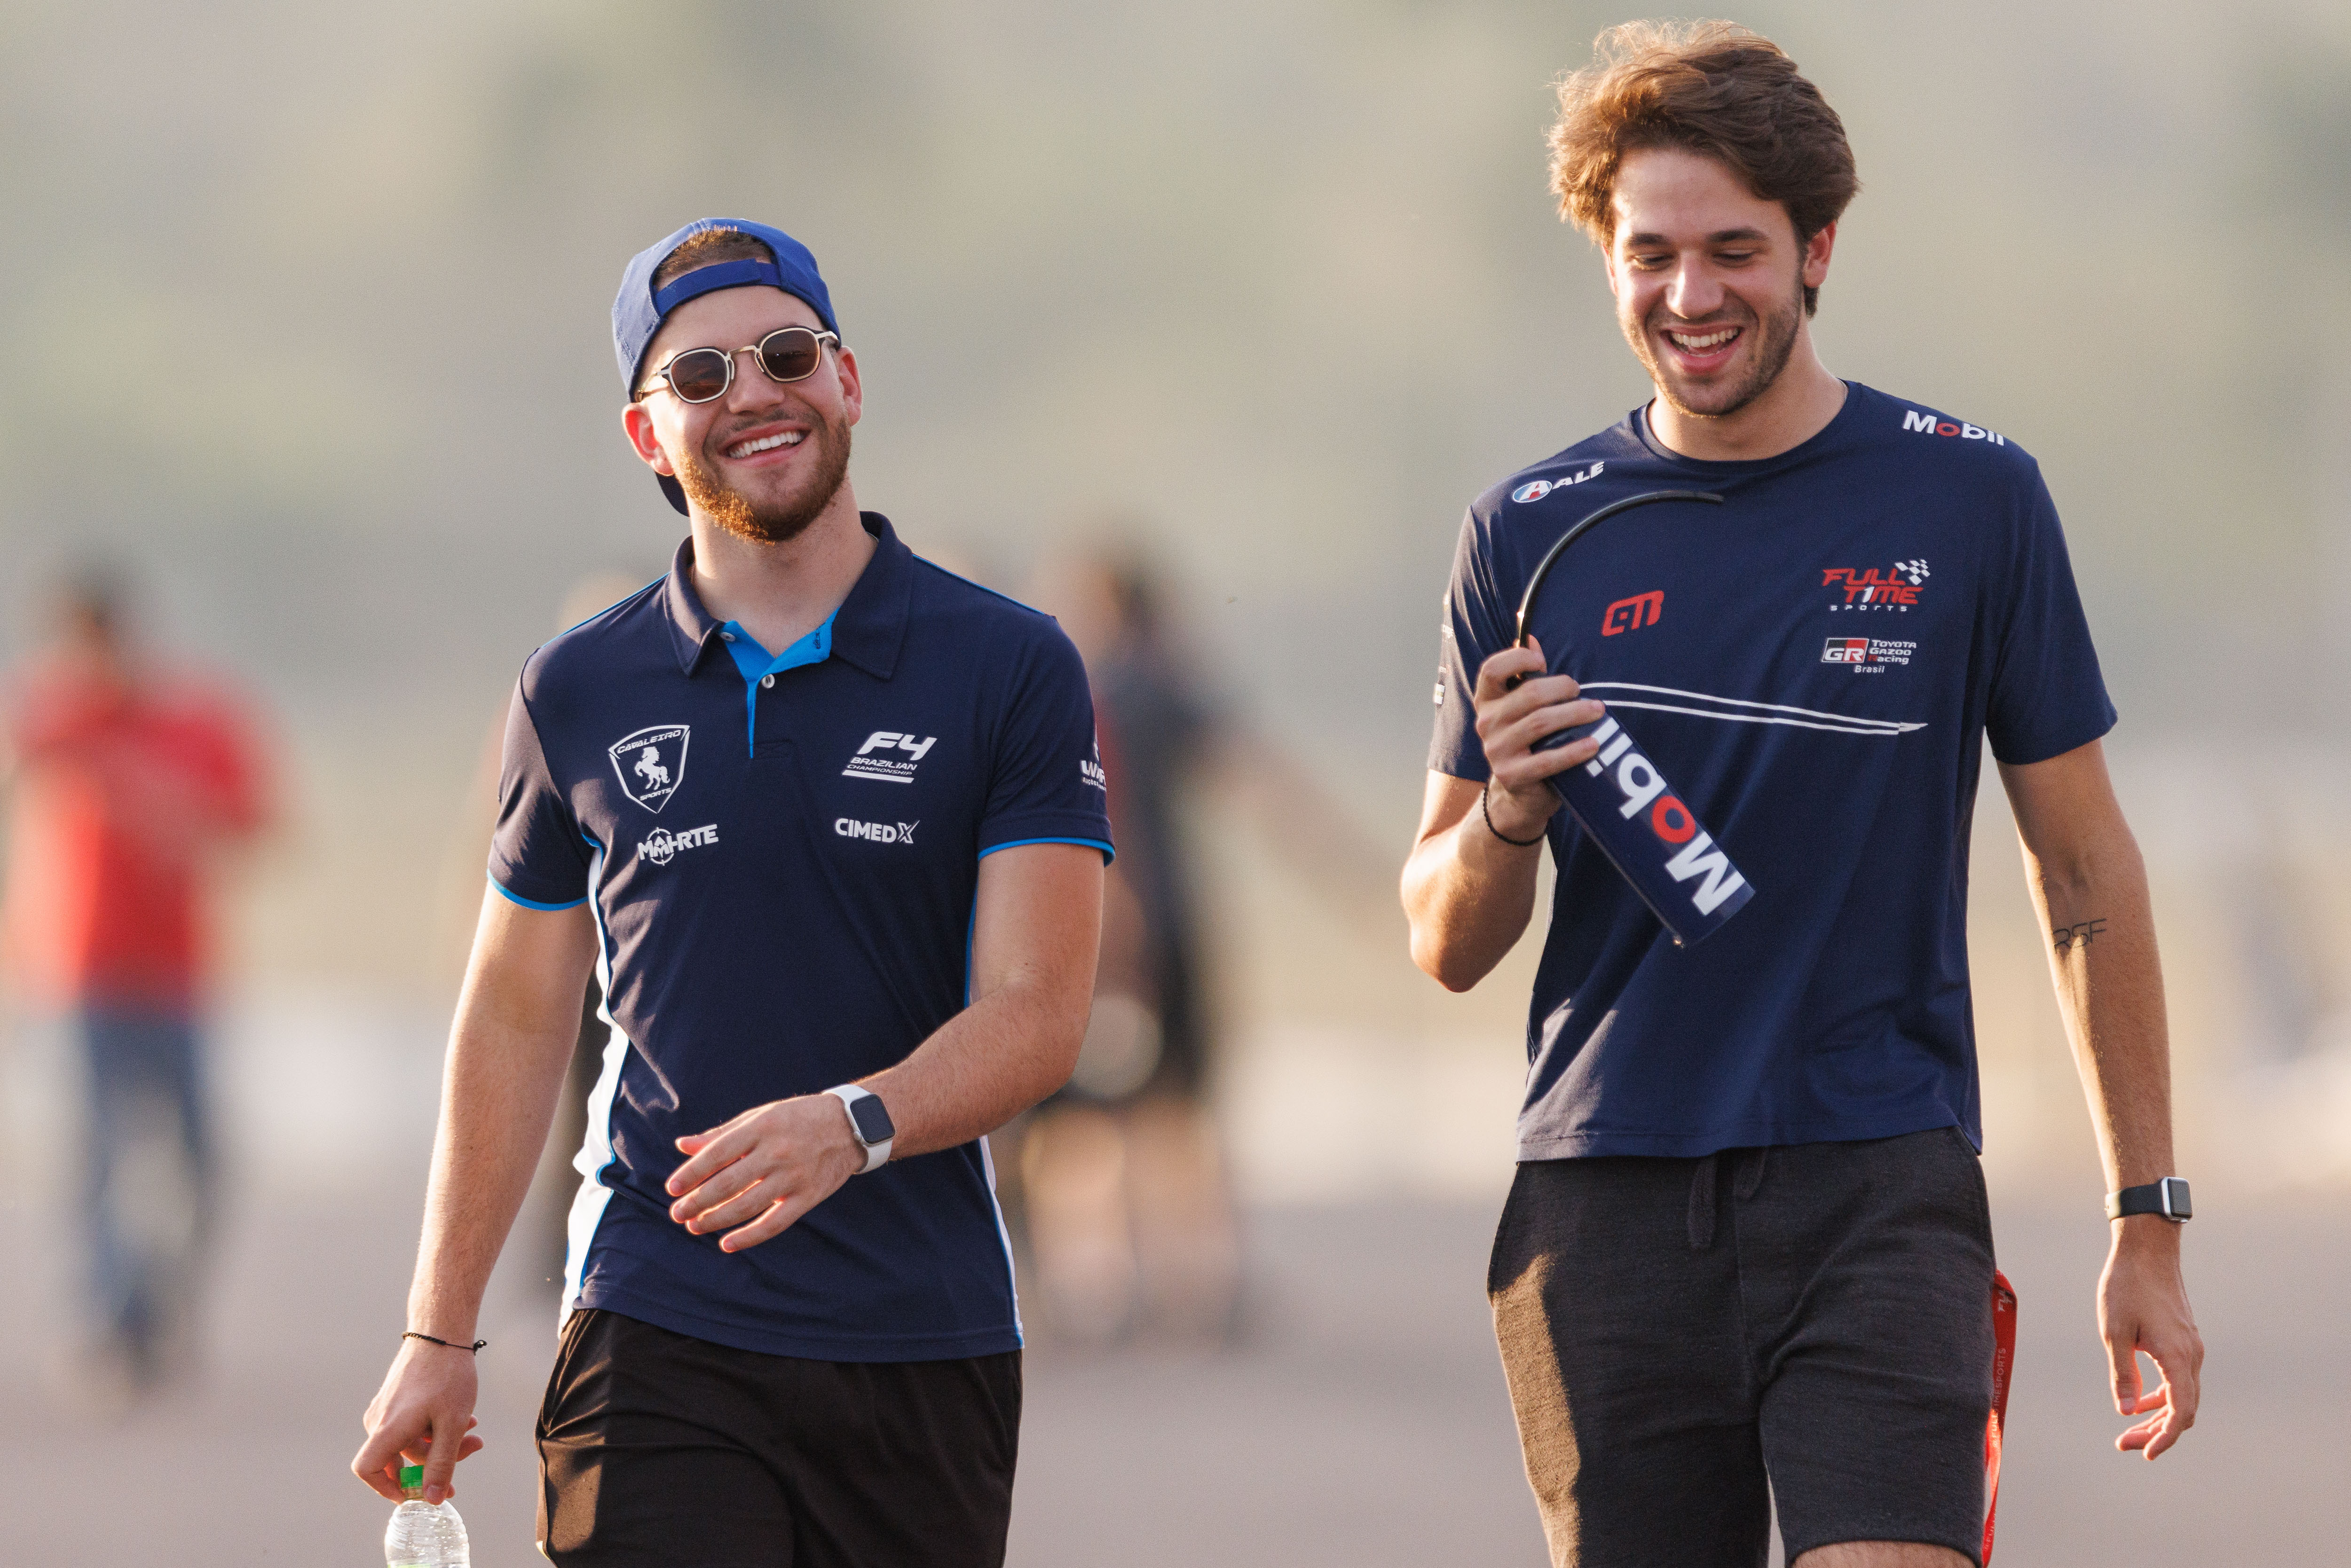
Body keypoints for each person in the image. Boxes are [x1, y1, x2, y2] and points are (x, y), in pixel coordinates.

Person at [1399, 23, 2201, 1568]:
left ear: (1817, 247)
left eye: (1733, 252)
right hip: (1606, 1204)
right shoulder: (1528, 532)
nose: (1688, 296)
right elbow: (1441, 931)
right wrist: (1505, 812)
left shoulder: (1972, 500)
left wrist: (2146, 1221)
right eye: (1648, 254)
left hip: (1877, 1179)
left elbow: (2089, 874)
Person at [351, 219, 1111, 1568]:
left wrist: (856, 1124)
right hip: (656, 1319)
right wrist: (438, 1334)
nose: (752, 393)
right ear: (649, 437)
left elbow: (1041, 1012)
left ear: (848, 380)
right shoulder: (576, 688)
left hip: (921, 1338)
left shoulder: (1010, 664)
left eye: (784, 355)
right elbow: (517, 1019)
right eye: (699, 377)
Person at [0, 570, 273, 1397]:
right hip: (81, 978)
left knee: (200, 1159)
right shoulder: (56, 718)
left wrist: (168, 807)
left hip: (179, 978)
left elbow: (253, 823)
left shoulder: (191, 719)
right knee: (101, 1158)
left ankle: (159, 1305)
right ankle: (111, 1326)